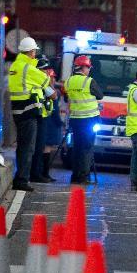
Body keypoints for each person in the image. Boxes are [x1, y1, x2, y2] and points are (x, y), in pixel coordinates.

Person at [7, 37, 52, 191]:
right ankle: (22, 180)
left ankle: (20, 177)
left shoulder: (15, 65)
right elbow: (47, 83)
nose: (35, 54)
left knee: (22, 146)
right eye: (34, 51)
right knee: (28, 148)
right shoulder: (28, 68)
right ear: (31, 52)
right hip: (29, 111)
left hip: (18, 111)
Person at [65, 55, 104, 184]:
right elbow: (100, 95)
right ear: (83, 67)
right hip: (89, 120)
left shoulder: (68, 81)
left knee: (77, 147)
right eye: (88, 67)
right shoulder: (89, 81)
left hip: (75, 119)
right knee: (87, 148)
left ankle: (75, 176)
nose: (89, 70)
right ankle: (84, 176)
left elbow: (67, 98)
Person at [30, 57, 58, 183]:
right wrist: (49, 83)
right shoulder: (40, 81)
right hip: (40, 116)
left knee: (40, 146)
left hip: (40, 115)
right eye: (45, 70)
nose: (47, 73)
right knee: (39, 147)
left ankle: (39, 173)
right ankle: (37, 173)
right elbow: (53, 95)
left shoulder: (36, 80)